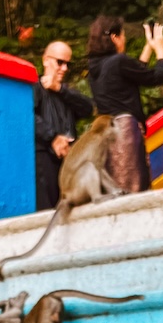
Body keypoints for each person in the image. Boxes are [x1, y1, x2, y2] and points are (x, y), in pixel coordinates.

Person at [86, 16, 163, 192]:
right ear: (114, 38)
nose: (125, 39)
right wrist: (160, 51)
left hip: (108, 135)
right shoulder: (118, 62)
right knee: (134, 186)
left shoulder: (94, 68)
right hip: (126, 132)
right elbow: (157, 77)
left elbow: (133, 73)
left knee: (118, 186)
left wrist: (148, 47)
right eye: (122, 35)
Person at [33, 40, 94, 210]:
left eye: (68, 64)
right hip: (44, 157)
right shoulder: (35, 87)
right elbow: (28, 117)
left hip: (68, 159)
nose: (64, 68)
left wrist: (59, 89)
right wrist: (52, 137)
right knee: (48, 210)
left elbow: (87, 108)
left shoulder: (65, 91)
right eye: (60, 62)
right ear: (46, 60)